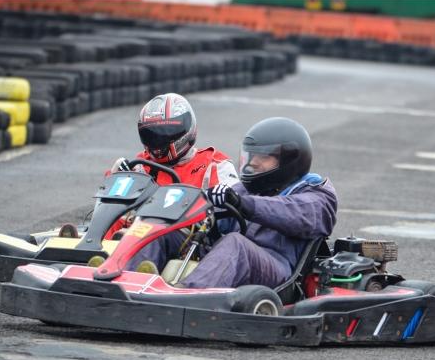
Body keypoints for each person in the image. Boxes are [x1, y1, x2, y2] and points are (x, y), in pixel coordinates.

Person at [129, 117, 338, 289]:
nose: (253, 163)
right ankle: (128, 280)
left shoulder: (317, 196)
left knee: (236, 243)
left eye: (263, 158)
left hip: (277, 272)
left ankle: (187, 293)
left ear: (289, 161)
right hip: (227, 260)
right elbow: (212, 215)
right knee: (163, 227)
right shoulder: (248, 189)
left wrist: (243, 204)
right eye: (251, 156)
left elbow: (292, 213)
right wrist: (197, 206)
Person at [102, 93, 239, 239]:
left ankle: (127, 243)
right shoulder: (141, 165)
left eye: (163, 135)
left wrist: (221, 195)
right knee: (112, 215)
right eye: (151, 136)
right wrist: (115, 175)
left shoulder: (215, 164)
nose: (157, 143)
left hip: (188, 241)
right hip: (135, 232)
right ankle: (90, 247)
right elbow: (112, 206)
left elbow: (236, 202)